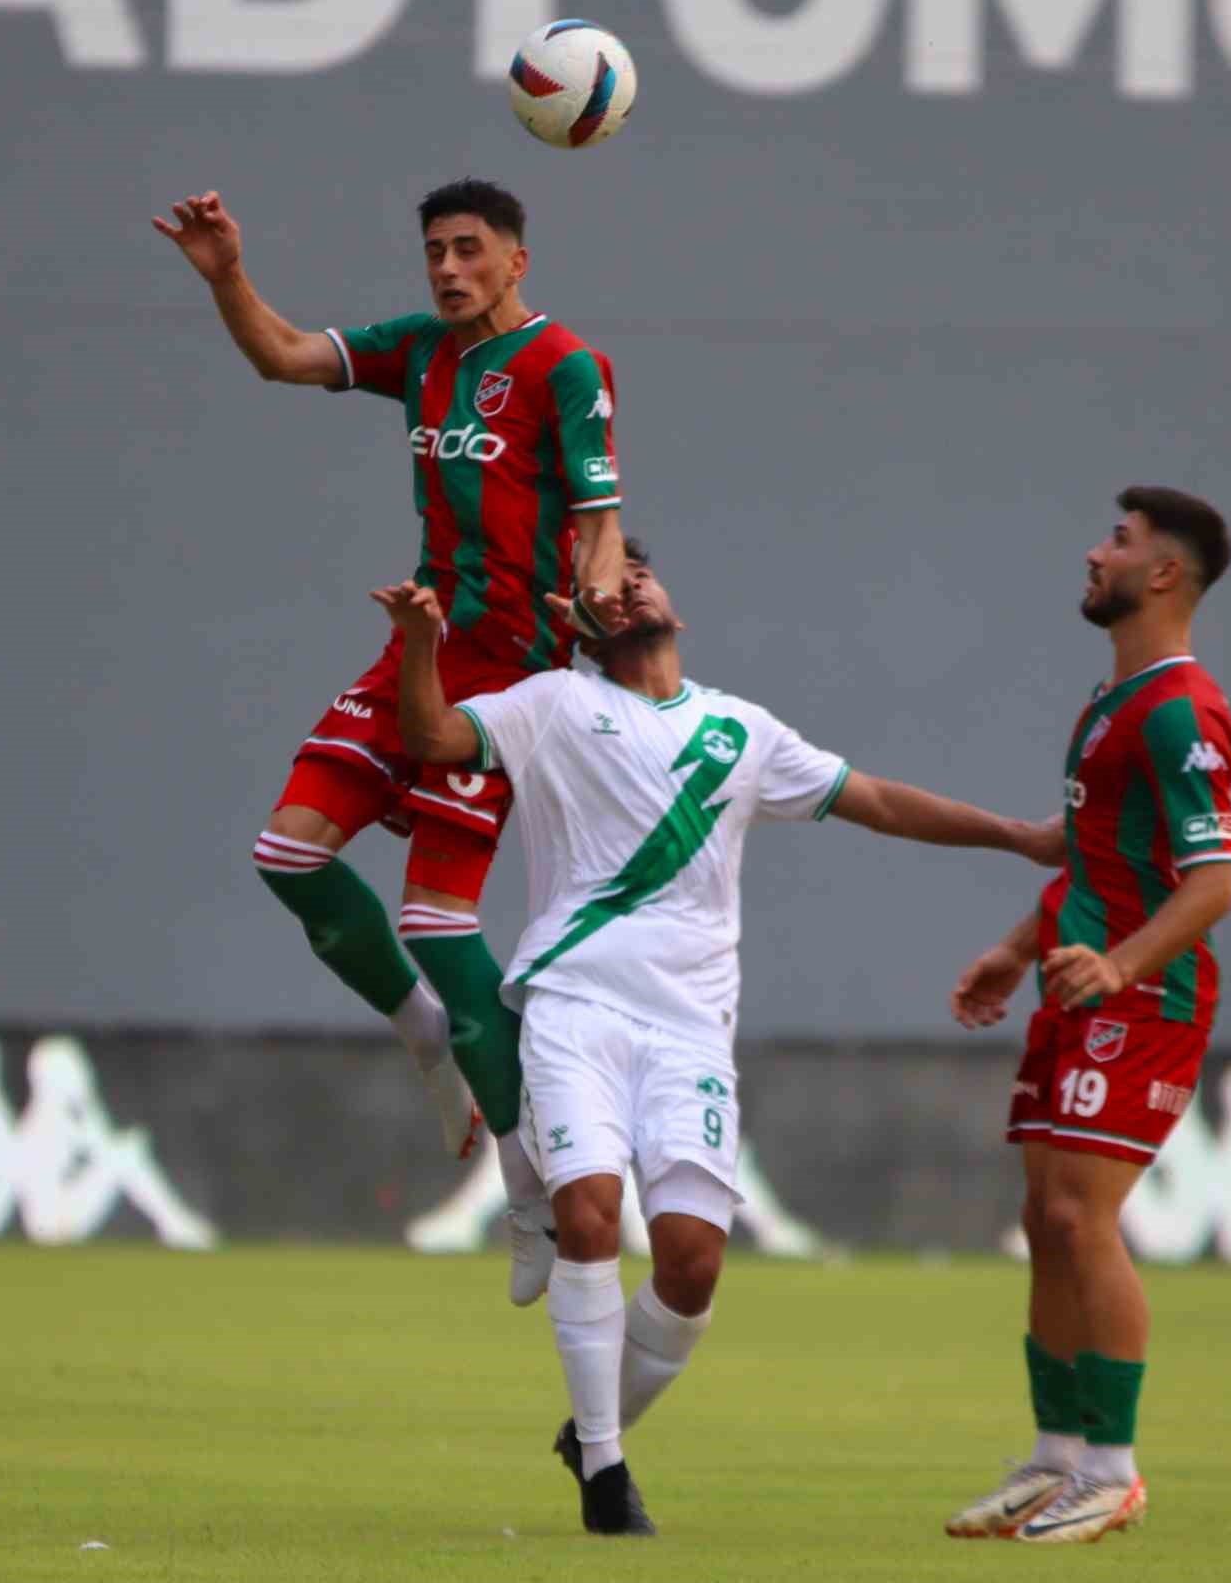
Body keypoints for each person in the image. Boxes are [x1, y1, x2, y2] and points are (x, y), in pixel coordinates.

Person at [373, 540, 1062, 1536]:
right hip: (575, 1008)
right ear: (579, 616)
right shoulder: (552, 704)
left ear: (671, 603)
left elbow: (877, 802)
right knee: (591, 1216)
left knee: (691, 1263)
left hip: (689, 1030)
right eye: (609, 580)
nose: (632, 583)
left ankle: (589, 1430)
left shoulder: (740, 730)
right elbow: (434, 737)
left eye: (642, 570)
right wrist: (417, 644)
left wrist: (1018, 837)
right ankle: (607, 1477)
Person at [152, 180, 628, 1265]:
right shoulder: (419, 351)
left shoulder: (565, 368)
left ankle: (527, 1181)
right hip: (418, 642)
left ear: (517, 260)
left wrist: (594, 599)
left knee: (438, 922)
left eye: (469, 251)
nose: (448, 269)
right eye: (434, 253)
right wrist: (229, 274)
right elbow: (279, 355)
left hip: (506, 683)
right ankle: (423, 1031)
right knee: (286, 850)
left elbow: (600, 522)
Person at [944, 487, 1231, 1545]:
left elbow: (1211, 885)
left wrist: (1116, 967)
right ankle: (1053, 1457)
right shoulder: (1110, 702)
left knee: (1082, 1220)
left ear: (1162, 575)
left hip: (1143, 999)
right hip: (1078, 988)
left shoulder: (1177, 709)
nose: (1093, 551)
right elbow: (1100, 856)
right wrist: (1015, 948)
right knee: (1045, 1223)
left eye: (1116, 542)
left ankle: (1112, 1469)